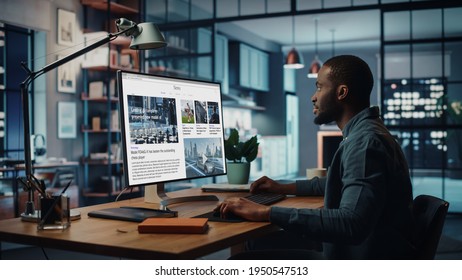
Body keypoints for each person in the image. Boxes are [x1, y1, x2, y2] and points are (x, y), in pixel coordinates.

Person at [216, 55, 416, 260]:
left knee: (240, 261)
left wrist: (265, 212)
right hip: (365, 249)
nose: (313, 96)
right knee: (255, 242)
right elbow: (337, 182)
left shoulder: (364, 143)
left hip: (358, 259)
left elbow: (351, 224)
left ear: (341, 92)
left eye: (320, 87)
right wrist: (282, 188)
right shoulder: (367, 132)